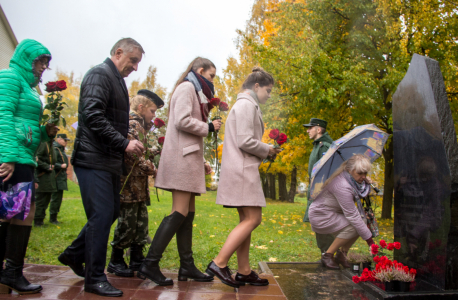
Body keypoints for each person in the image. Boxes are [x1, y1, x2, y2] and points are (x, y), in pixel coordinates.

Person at [57, 38, 145, 297]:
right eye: (133, 60)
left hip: (107, 161)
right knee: (101, 216)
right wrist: (124, 143)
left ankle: (74, 254)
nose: (136, 67)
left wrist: (124, 143)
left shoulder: (116, 79)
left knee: (110, 212)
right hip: (92, 159)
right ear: (118, 53)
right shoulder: (99, 74)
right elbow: (93, 115)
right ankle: (94, 278)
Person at [137, 57, 222, 286]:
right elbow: (182, 122)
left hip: (189, 158)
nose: (213, 80)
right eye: (211, 75)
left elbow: (186, 131)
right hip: (182, 160)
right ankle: (150, 263)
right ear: (200, 70)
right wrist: (209, 127)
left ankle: (187, 266)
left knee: (188, 213)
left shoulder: (195, 91)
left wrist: (201, 158)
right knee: (179, 211)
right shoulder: (187, 87)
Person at [206, 67, 282, 288]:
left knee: (246, 220)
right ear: (256, 87)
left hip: (240, 168)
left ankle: (244, 271)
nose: (269, 95)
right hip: (242, 170)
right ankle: (219, 263)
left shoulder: (246, 104)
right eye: (268, 91)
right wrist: (267, 149)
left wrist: (266, 150)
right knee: (253, 219)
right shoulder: (247, 105)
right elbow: (245, 141)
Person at [0, 39, 58, 295]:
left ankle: (12, 271)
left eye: (46, 62)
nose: (43, 67)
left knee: (23, 211)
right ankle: (6, 271)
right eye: (40, 61)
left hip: (25, 156)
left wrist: (45, 133)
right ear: (26, 58)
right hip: (13, 157)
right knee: (7, 212)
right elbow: (3, 116)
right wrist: (8, 156)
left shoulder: (30, 88)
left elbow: (26, 124)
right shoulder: (10, 78)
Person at [108, 90, 164, 277]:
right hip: (129, 186)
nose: (154, 115)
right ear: (141, 108)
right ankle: (116, 260)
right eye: (152, 111)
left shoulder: (141, 127)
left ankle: (137, 258)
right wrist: (153, 169)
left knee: (140, 223)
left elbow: (143, 152)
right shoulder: (131, 125)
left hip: (138, 187)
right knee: (127, 223)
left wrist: (157, 150)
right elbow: (132, 156)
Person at [308, 154, 375, 269]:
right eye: (360, 173)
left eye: (365, 173)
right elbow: (353, 216)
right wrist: (370, 242)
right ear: (349, 170)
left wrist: (366, 183)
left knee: (360, 224)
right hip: (321, 215)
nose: (363, 176)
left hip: (332, 213)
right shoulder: (342, 185)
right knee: (356, 224)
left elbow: (359, 193)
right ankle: (328, 255)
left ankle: (342, 255)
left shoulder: (350, 179)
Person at [302, 118, 335, 255]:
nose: (308, 130)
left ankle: (329, 254)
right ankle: (325, 254)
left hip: (322, 192)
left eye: (311, 127)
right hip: (316, 191)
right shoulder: (317, 145)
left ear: (319, 129)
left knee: (323, 224)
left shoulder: (325, 146)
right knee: (318, 224)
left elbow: (330, 171)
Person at [34, 140, 58, 226]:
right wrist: (46, 166)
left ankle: (41, 219)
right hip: (42, 177)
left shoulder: (50, 144)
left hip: (49, 177)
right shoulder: (43, 144)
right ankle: (38, 220)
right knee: (41, 199)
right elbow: (36, 158)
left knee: (46, 199)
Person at [50, 134, 70, 224]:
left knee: (58, 198)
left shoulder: (61, 150)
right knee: (55, 198)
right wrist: (60, 165)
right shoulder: (55, 149)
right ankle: (51, 218)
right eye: (64, 140)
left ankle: (54, 217)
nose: (66, 142)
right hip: (56, 177)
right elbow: (51, 162)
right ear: (59, 139)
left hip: (61, 177)